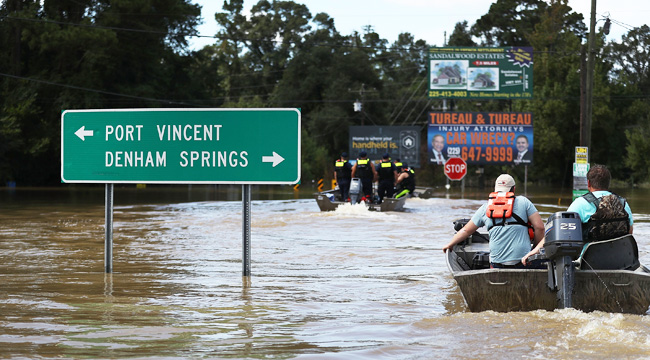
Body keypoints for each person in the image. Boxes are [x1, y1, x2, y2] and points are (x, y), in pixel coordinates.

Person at [521, 164, 633, 265]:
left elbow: (560, 232)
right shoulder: (623, 204)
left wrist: (534, 251)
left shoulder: (580, 204)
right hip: (622, 261)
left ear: (588, 183)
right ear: (608, 183)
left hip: (590, 262)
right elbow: (629, 233)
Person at [442, 174, 545, 268]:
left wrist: (450, 244)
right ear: (513, 189)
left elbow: (466, 231)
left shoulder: (485, 207)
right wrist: (535, 250)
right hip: (524, 262)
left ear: (496, 190)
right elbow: (540, 228)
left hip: (497, 264)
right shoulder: (524, 202)